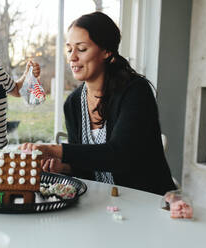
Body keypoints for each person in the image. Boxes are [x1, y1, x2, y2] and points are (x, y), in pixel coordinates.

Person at [21, 12, 176, 195]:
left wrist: (56, 150)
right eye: (70, 49)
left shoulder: (135, 92)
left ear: (106, 51)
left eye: (82, 49)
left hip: (148, 201)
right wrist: (64, 167)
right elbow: (87, 169)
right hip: (104, 202)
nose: (72, 58)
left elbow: (120, 155)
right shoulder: (73, 103)